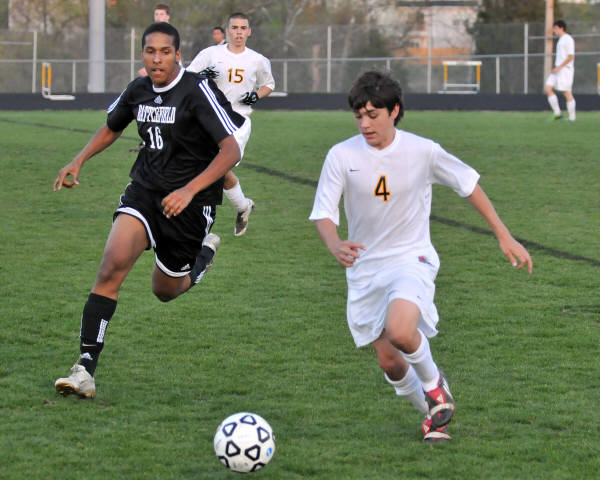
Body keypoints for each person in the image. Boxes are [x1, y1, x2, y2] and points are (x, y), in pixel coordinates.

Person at [309, 71, 533, 443]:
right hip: (365, 269)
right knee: (390, 362)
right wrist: (334, 243)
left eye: (373, 115)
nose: (365, 124)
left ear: (394, 111)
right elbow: (323, 213)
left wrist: (503, 234)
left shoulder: (422, 150)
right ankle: (433, 415)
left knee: (401, 331)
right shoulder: (341, 155)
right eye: (359, 116)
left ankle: (434, 385)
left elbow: (468, 184)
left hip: (411, 258)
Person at [53, 22, 247, 398]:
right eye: (150, 51)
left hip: (190, 205)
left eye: (165, 52)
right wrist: (79, 159)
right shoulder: (138, 89)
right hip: (144, 192)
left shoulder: (196, 90)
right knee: (110, 268)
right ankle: (84, 369)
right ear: (142, 54)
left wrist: (189, 190)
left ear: (178, 55)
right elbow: (112, 127)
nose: (157, 59)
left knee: (165, 290)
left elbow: (231, 150)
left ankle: (201, 258)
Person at [187, 12, 275, 236]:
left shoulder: (257, 59)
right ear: (227, 31)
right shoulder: (210, 54)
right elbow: (187, 78)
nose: (238, 32)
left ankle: (199, 222)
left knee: (216, 167)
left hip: (238, 121)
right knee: (216, 170)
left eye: (243, 28)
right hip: (210, 119)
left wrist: (256, 95)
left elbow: (269, 84)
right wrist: (202, 75)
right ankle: (243, 206)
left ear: (249, 32)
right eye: (234, 28)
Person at [544, 20, 576, 121]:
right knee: (548, 88)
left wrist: (560, 67)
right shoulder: (560, 40)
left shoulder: (568, 39)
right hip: (557, 69)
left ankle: (572, 117)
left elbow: (570, 57)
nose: (554, 31)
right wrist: (557, 67)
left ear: (561, 28)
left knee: (566, 92)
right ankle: (557, 113)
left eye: (556, 28)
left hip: (565, 70)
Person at [138, 4, 171, 77]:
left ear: (167, 16)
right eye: (156, 14)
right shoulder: (153, 32)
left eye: (161, 14)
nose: (158, 17)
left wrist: (150, 69)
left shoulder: (170, 33)